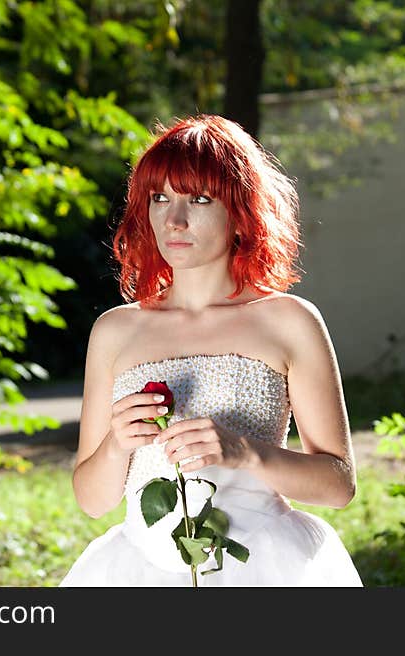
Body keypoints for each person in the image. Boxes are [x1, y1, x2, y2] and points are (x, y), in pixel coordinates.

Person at [59, 114, 362, 586]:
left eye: (199, 199)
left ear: (241, 212)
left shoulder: (291, 321)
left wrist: (245, 453)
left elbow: (338, 485)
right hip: (140, 572)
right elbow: (92, 501)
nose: (174, 220)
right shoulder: (114, 332)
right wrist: (117, 444)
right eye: (160, 198)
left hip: (264, 567)